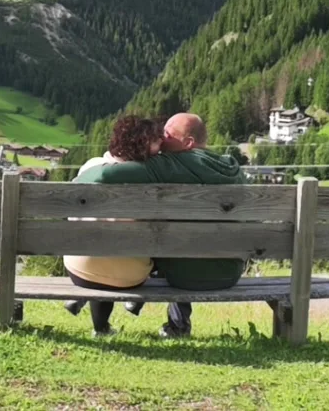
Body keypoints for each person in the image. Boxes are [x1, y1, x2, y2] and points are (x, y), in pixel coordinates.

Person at [76, 113, 246, 338]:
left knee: (159, 239)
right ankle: (177, 325)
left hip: (184, 276)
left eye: (168, 133)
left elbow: (105, 175)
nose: (161, 138)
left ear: (188, 144)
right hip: (230, 273)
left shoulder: (169, 165)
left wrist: (77, 181)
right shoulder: (233, 168)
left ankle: (96, 304)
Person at [63, 115, 164, 336]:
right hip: (129, 278)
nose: (161, 146)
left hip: (79, 270)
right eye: (158, 141)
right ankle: (134, 303)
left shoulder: (90, 166)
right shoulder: (150, 178)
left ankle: (100, 326)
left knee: (99, 249)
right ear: (144, 144)